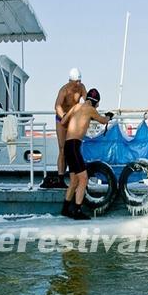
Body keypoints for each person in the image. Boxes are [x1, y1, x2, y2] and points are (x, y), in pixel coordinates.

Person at [59, 88, 113, 219]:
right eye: (98, 103)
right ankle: (77, 211)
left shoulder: (77, 106)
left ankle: (65, 209)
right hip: (74, 146)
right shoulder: (91, 110)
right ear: (95, 102)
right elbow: (103, 121)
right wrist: (109, 116)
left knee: (73, 181)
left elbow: (63, 121)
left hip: (67, 145)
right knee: (83, 178)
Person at [44, 68, 87, 189]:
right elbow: (57, 106)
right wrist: (64, 117)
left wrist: (92, 104)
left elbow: (87, 99)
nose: (78, 84)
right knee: (63, 149)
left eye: (79, 81)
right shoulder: (64, 90)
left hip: (73, 121)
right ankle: (61, 178)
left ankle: (76, 177)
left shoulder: (81, 87)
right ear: (70, 81)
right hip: (62, 120)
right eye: (76, 82)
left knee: (73, 149)